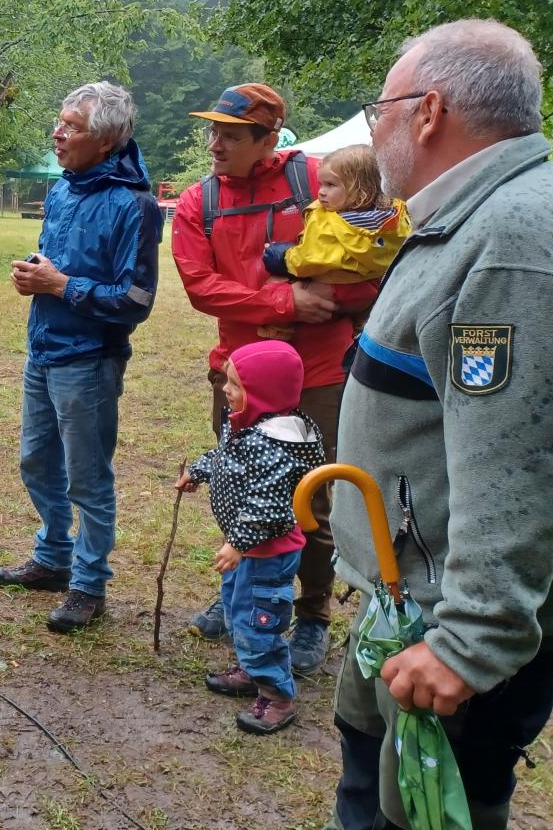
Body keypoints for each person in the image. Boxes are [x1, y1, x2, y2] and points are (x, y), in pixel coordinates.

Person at [327, 19, 553, 829]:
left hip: (449, 617)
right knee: (369, 783)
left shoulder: (515, 242)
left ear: (428, 112)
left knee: (420, 815)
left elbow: (525, 461)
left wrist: (470, 644)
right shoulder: (478, 215)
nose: (372, 129)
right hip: (411, 593)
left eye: (377, 109)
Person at [170, 83, 378, 673]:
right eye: (213, 132)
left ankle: (311, 615)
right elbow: (200, 287)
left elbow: (374, 259)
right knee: (239, 488)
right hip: (239, 379)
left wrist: (333, 300)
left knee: (311, 499)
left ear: (268, 139)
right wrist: (285, 302)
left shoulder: (319, 180)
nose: (216, 144)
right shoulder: (197, 202)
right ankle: (239, 592)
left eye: (231, 135)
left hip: (318, 375)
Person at [0, 81, 162, 633]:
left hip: (90, 360)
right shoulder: (64, 190)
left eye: (72, 126)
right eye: (59, 121)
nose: (57, 133)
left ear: (106, 141)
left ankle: (89, 584)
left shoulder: (136, 205)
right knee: (36, 462)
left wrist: (61, 285)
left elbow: (135, 301)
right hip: (43, 349)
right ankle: (53, 557)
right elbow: (57, 264)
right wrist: (36, 277)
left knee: (87, 477)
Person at [176, 341, 325, 735]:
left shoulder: (278, 445)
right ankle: (250, 668)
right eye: (228, 381)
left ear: (265, 393)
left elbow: (269, 507)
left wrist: (239, 542)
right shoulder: (248, 424)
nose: (226, 389)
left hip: (265, 553)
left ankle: (277, 696)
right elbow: (225, 455)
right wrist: (199, 469)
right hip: (245, 551)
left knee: (259, 621)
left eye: (236, 385)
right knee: (236, 608)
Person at [262, 144, 410, 296]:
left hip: (335, 288)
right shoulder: (397, 213)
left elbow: (311, 259)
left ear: (361, 189)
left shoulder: (329, 225)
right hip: (372, 287)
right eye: (321, 184)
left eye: (330, 185)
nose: (321, 192)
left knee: (273, 284)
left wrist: (281, 257)